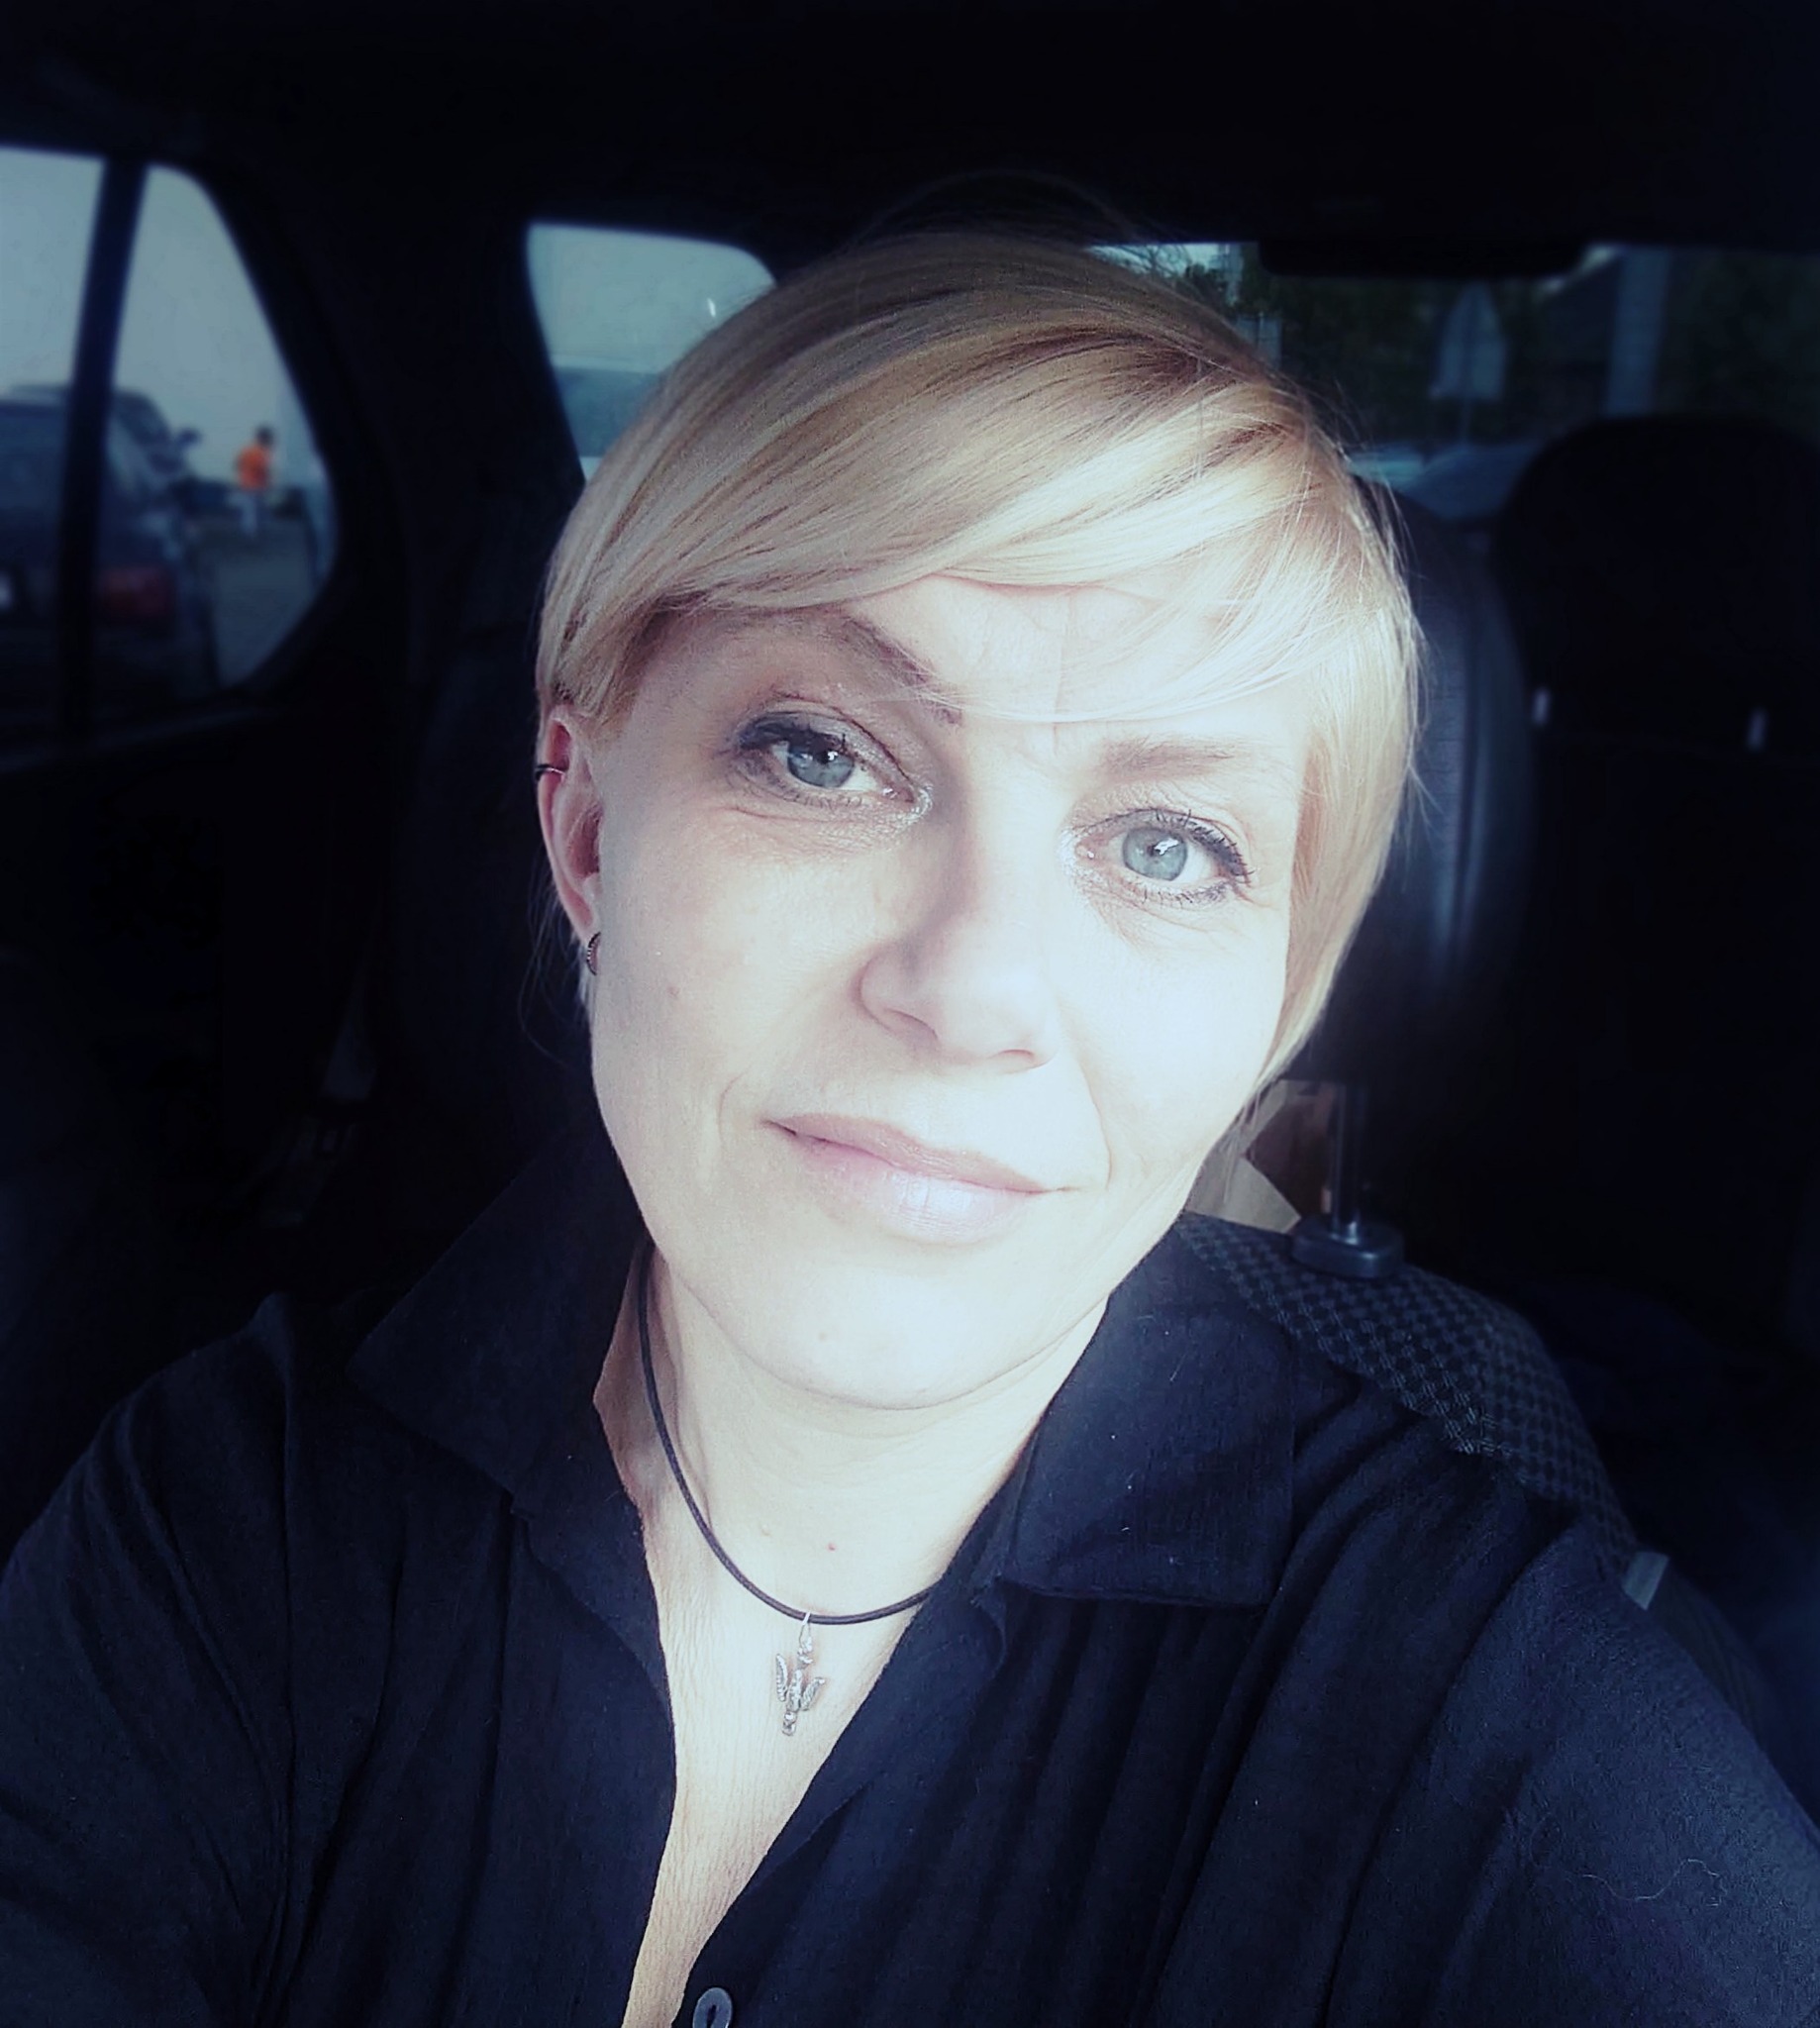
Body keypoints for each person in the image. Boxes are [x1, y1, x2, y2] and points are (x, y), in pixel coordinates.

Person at [1, 232, 1816, 2028]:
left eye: (1166, 844)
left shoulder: (1502, 1728)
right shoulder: (223, 1525)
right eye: (823, 752)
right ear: (585, 835)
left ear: (1271, 1015)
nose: (971, 987)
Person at [233, 423, 275, 538]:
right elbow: (264, 469)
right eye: (269, 438)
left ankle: (249, 532)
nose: (270, 440)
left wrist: (244, 474)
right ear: (264, 438)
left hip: (245, 484)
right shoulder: (263, 452)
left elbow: (237, 464)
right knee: (256, 511)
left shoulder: (246, 450)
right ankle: (253, 533)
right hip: (257, 485)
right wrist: (269, 482)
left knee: (249, 511)